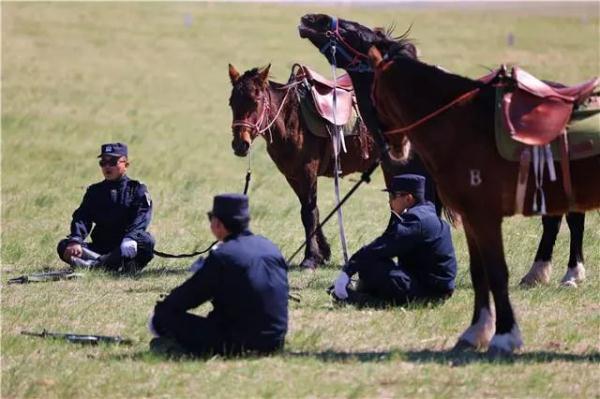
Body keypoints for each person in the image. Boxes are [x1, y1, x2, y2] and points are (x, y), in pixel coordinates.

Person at [149, 194, 289, 357]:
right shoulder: (270, 247)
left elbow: (187, 298)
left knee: (165, 317)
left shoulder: (223, 256)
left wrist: (161, 311)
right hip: (276, 342)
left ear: (217, 223)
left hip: (237, 343)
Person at [332, 174, 457, 306]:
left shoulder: (415, 220)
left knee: (370, 265)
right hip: (434, 288)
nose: (389, 201)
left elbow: (380, 247)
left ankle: (359, 299)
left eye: (393, 196)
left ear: (408, 198)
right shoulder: (426, 212)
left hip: (428, 292)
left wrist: (347, 272)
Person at [57, 142, 155, 273]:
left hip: (125, 247)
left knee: (146, 241)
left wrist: (131, 237)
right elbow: (82, 217)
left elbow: (142, 218)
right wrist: (75, 239)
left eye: (113, 162)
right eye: (103, 162)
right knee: (64, 245)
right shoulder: (94, 191)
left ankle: (94, 266)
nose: (107, 166)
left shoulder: (137, 189)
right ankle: (105, 265)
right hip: (100, 247)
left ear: (126, 164)